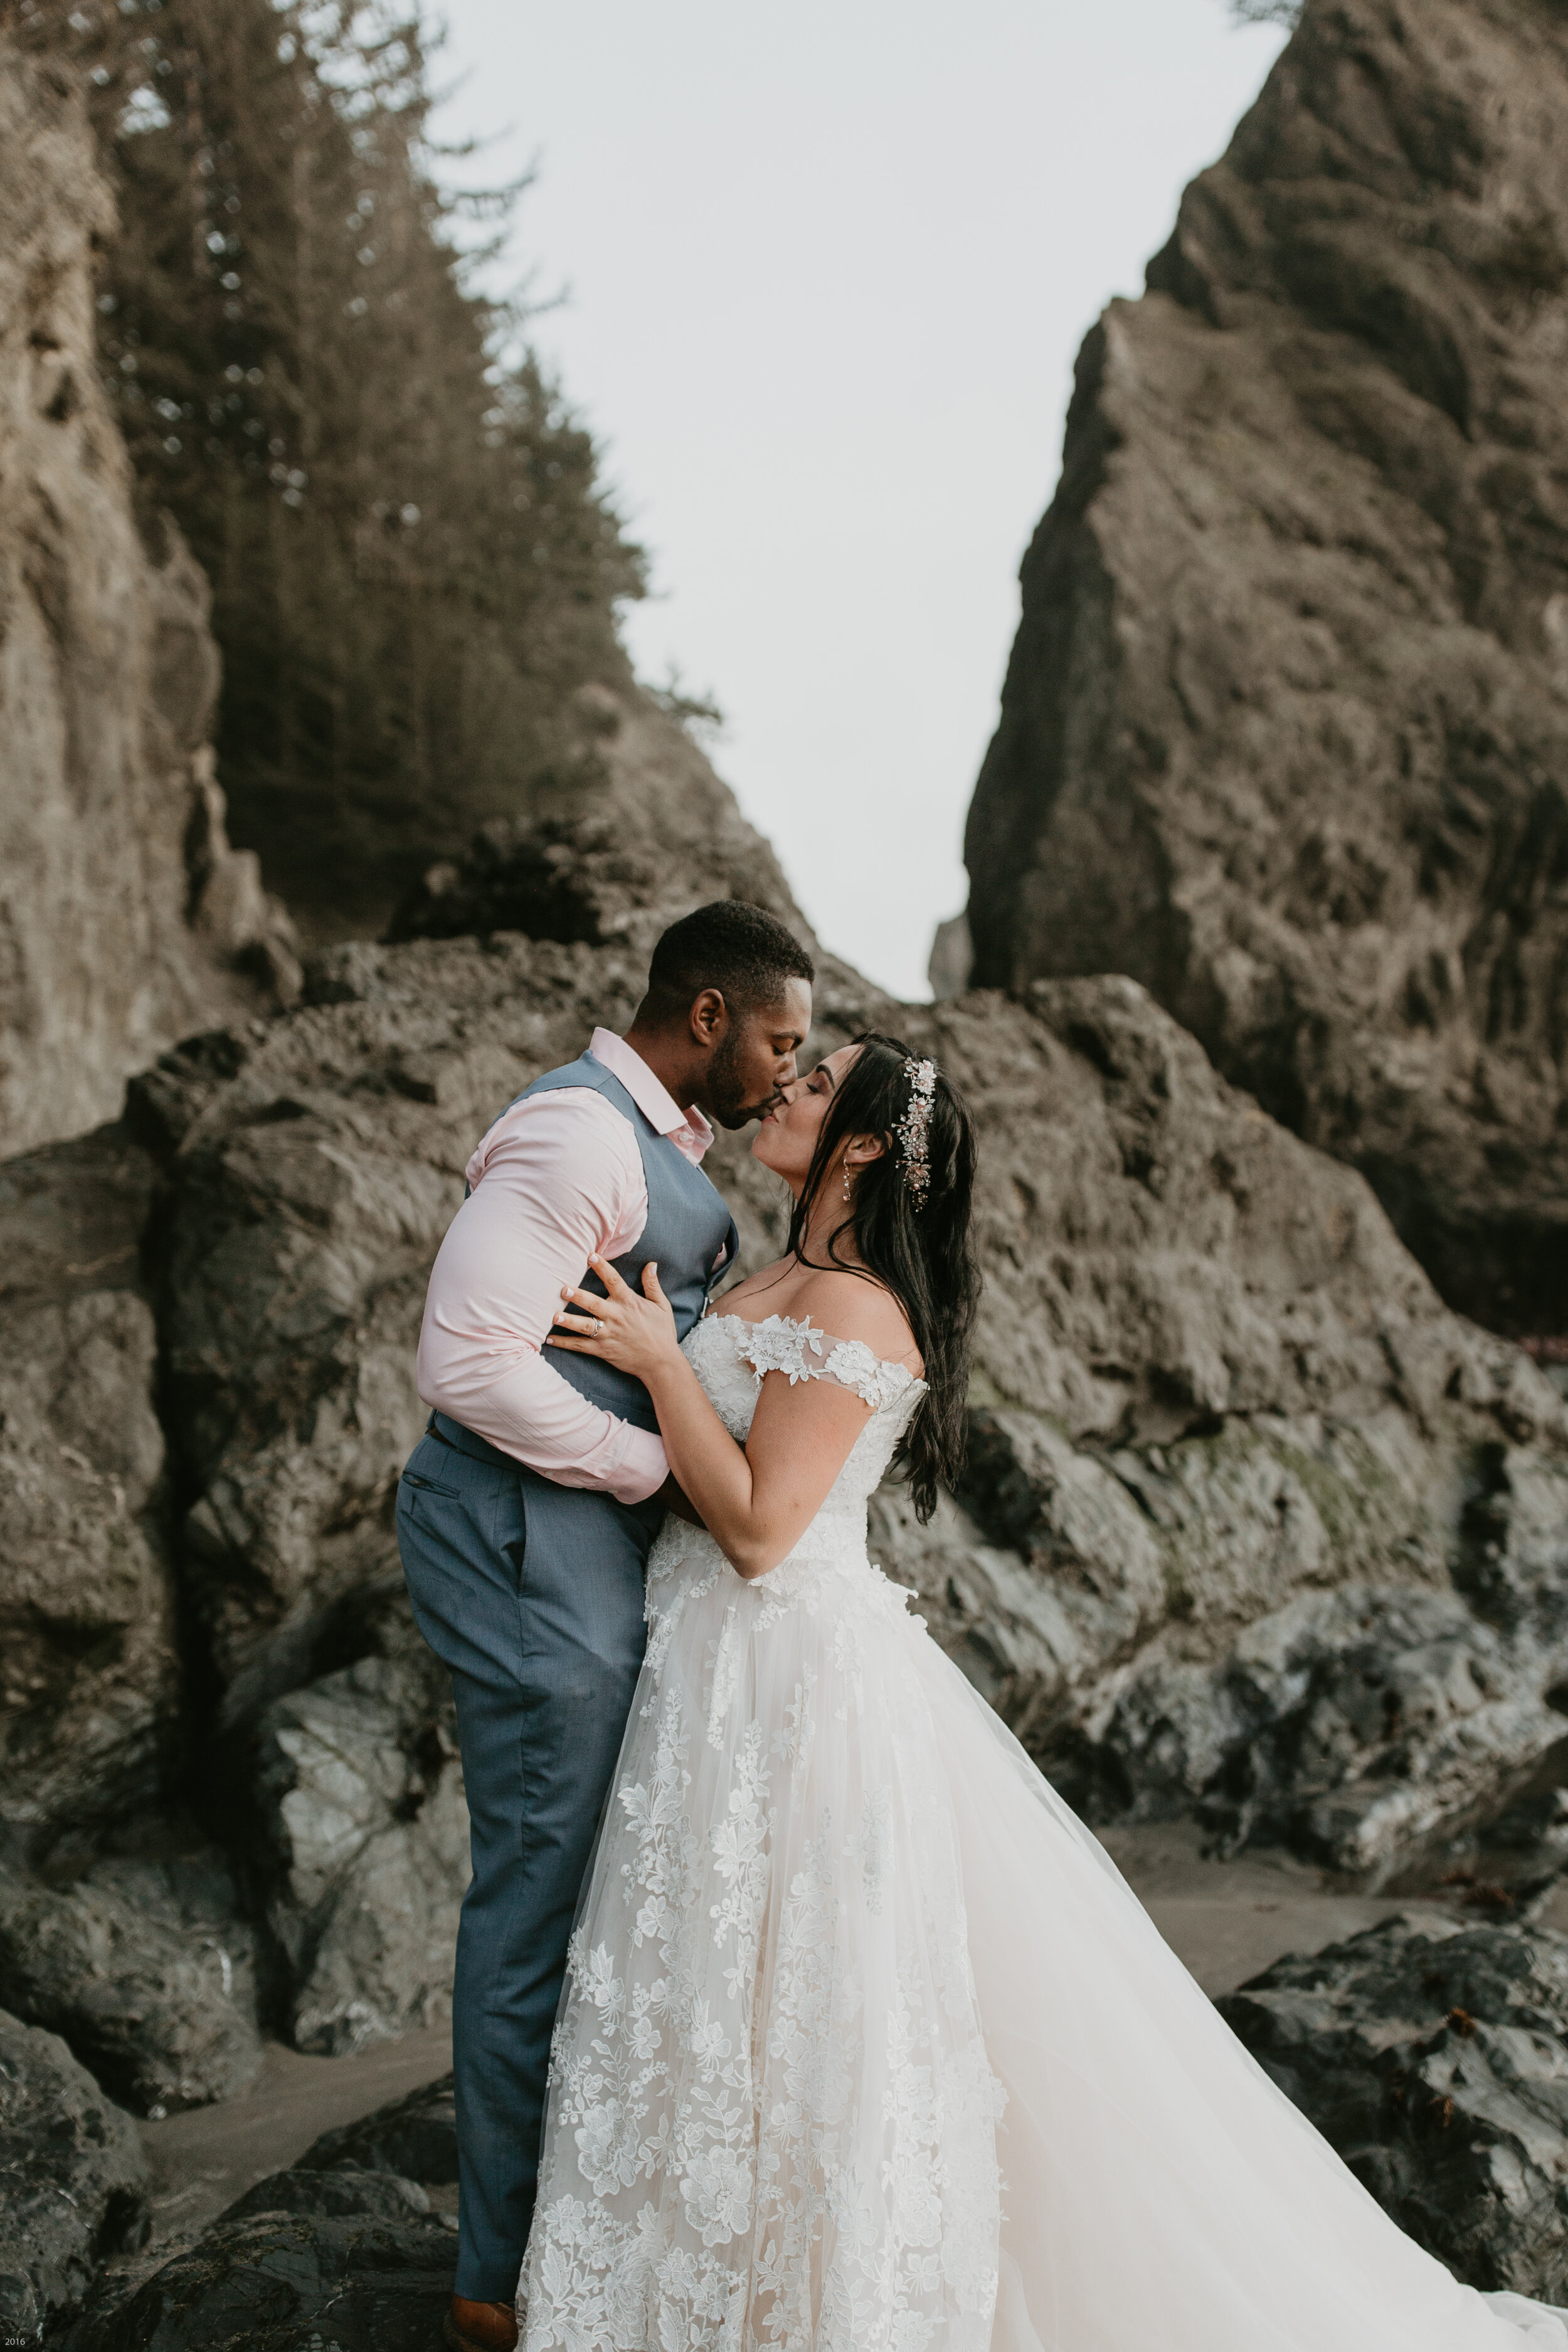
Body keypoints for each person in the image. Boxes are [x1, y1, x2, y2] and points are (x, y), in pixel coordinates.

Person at [521, 1031, 1568, 2352]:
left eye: (807, 1080)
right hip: (716, 1663)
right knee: (721, 1985)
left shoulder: (851, 1308)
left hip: (785, 1676)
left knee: (803, 2005)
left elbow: (757, 1529)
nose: (777, 1089)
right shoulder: (772, 1268)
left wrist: (659, 1361)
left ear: (854, 1142)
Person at [396, 901, 814, 2352]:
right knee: (536, 1903)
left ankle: (560, 2226)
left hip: (576, 1549)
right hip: (522, 1549)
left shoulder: (664, 1146)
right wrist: (650, 1471)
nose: (781, 1068)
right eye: (777, 1038)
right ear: (706, 1017)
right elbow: (463, 1357)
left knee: (595, 1889)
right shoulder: (579, 1136)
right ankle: (492, 2286)